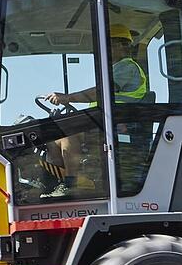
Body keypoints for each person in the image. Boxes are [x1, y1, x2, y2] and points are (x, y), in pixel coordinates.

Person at [40, 23, 148, 198]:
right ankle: (62, 182)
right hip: (103, 122)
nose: (104, 51)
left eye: (108, 45)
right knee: (54, 141)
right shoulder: (115, 68)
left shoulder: (127, 67)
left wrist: (67, 97)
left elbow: (101, 91)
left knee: (70, 134)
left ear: (122, 45)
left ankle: (71, 184)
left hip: (118, 125)